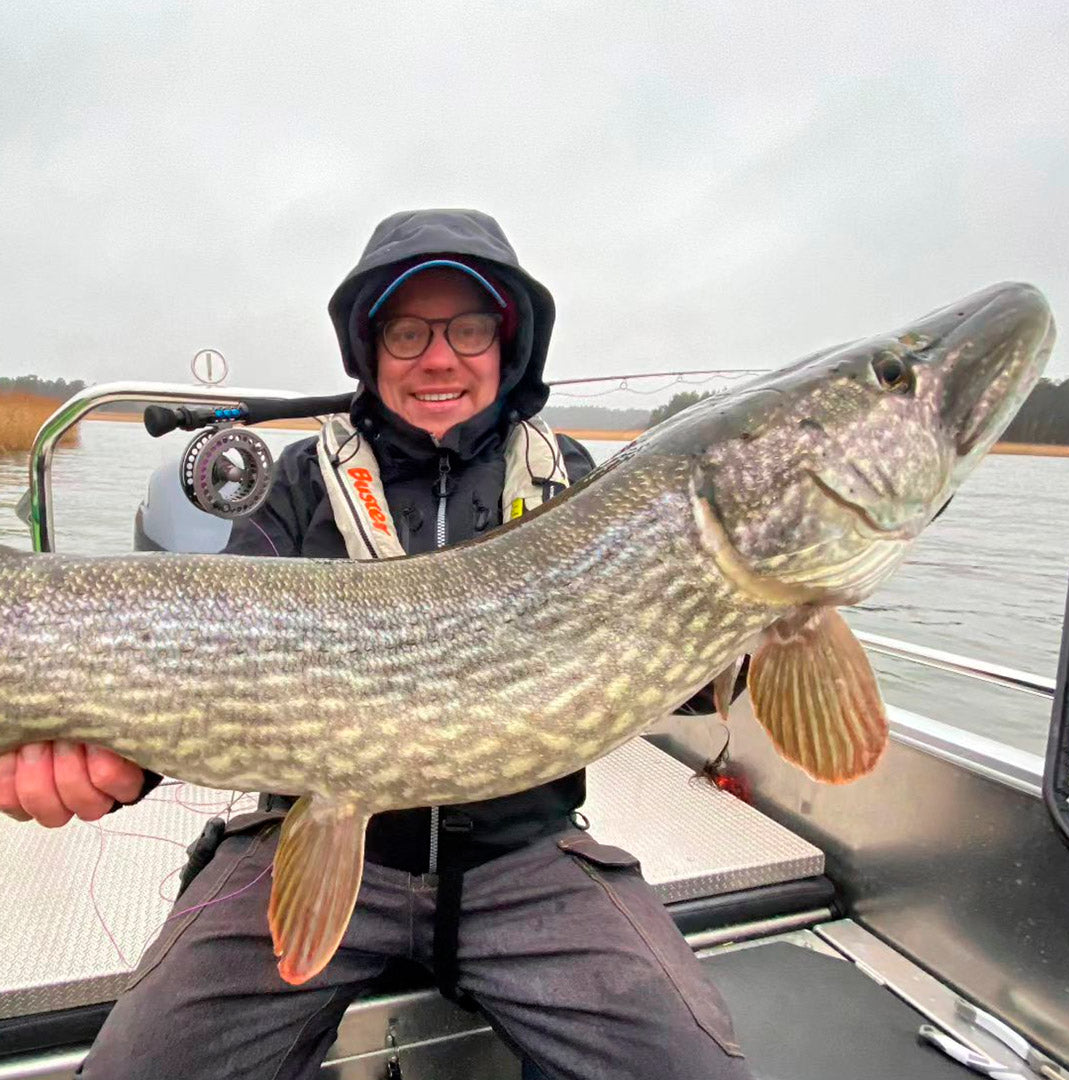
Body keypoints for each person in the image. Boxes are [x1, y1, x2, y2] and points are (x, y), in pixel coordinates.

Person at [0, 209, 752, 1080]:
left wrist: (748, 618)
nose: (439, 357)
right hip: (300, 835)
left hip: (525, 856)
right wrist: (122, 769)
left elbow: (686, 687)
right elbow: (219, 659)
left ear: (508, 343)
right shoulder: (299, 484)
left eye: (469, 328)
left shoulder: (578, 484)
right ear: (371, 348)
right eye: (407, 332)